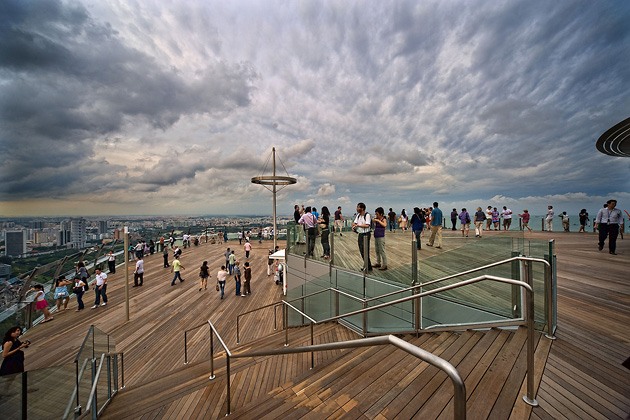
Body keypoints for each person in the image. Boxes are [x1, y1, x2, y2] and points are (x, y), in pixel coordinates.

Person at [1, 326, 29, 394]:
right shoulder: (9, 342)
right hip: (11, 363)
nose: (17, 332)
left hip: (17, 361)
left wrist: (24, 345)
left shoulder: (16, 340)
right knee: (12, 377)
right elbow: (4, 355)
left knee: (13, 377)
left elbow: (18, 346)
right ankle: (5, 391)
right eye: (15, 331)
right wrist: (19, 347)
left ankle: (5, 391)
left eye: (19, 331)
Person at [352, 202, 372, 271]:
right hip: (360, 234)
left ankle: (367, 266)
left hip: (366, 234)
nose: (357, 209)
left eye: (358, 207)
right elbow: (354, 222)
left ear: (362, 208)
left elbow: (367, 225)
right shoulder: (358, 216)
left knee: (365, 250)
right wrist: (354, 225)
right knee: (361, 250)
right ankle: (367, 265)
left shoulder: (367, 215)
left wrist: (358, 225)